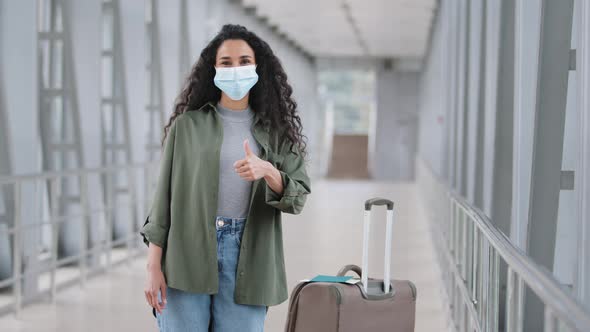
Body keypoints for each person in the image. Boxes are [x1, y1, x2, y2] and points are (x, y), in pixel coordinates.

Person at [140, 23, 312, 331]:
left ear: (258, 66)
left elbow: (298, 196)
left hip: (249, 256)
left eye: (244, 61)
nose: (236, 69)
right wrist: (154, 266)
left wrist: (269, 171)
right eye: (226, 63)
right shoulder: (187, 127)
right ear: (214, 70)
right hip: (185, 252)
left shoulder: (275, 133)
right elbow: (162, 202)